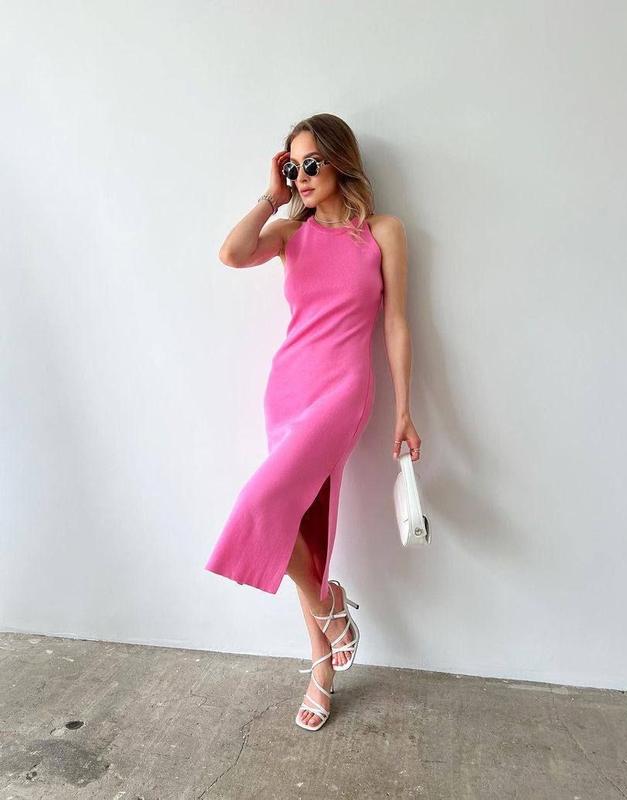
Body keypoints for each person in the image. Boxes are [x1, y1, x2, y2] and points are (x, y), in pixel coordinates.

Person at [204, 113, 421, 730]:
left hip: (344, 392)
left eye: (310, 163)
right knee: (296, 524)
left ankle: (330, 602)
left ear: (340, 162)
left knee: (261, 505)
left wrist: (404, 410)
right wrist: (271, 196)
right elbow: (231, 253)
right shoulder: (288, 234)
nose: (301, 175)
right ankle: (322, 665)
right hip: (287, 391)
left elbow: (396, 324)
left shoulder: (383, 231)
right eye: (292, 165)